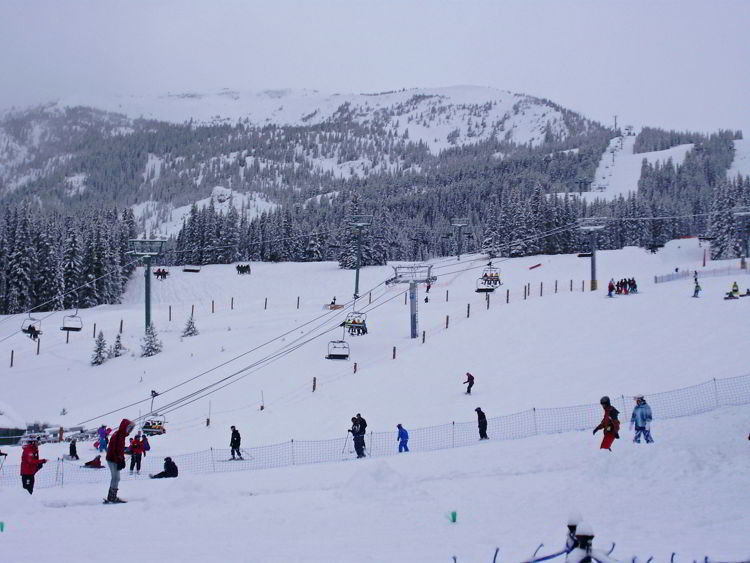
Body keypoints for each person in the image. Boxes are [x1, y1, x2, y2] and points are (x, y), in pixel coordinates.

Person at [105, 418, 134, 503]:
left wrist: (120, 459)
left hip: (112, 458)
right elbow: (116, 449)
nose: (130, 431)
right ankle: (112, 497)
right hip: (113, 459)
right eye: (129, 428)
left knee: (115, 478)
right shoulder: (119, 435)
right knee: (116, 478)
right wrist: (119, 460)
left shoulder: (118, 434)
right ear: (125, 427)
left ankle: (111, 497)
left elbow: (118, 449)